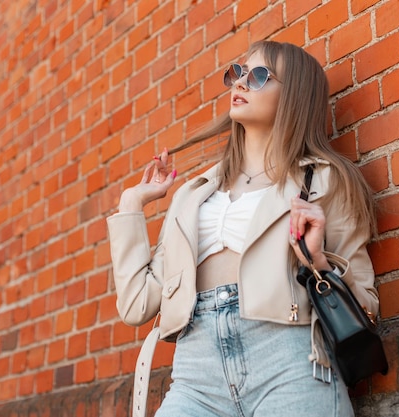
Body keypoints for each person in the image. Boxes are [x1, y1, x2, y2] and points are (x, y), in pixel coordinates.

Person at [107, 40, 379, 417]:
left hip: (289, 362)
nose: (240, 83)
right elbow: (137, 304)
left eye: (261, 76)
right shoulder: (193, 195)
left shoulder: (325, 180)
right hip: (196, 376)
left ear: (295, 96)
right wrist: (131, 204)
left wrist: (317, 259)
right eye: (238, 73)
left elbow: (365, 305)